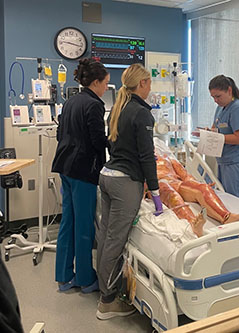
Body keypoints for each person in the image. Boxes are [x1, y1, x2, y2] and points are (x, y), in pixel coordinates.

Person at [96, 63, 163, 320]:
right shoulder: (142, 113)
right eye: (149, 83)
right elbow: (147, 156)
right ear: (143, 84)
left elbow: (114, 146)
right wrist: (155, 192)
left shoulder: (118, 108)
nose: (150, 88)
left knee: (106, 236)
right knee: (116, 240)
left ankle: (105, 290)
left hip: (107, 175)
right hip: (125, 183)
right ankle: (108, 301)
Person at [52, 58, 110, 293]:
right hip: (83, 170)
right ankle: (86, 279)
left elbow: (60, 134)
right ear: (95, 82)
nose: (107, 87)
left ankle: (64, 277)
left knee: (68, 222)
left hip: (65, 167)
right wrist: (115, 146)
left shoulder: (71, 101)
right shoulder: (94, 105)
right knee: (84, 225)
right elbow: (98, 140)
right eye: (105, 83)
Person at [208, 75, 239, 200]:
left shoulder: (238, 108)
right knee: (225, 199)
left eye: (218, 96)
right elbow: (215, 129)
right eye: (213, 97)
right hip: (224, 161)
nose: (215, 100)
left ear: (229, 90)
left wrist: (217, 137)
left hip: (237, 162)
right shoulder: (221, 108)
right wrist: (206, 133)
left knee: (235, 201)